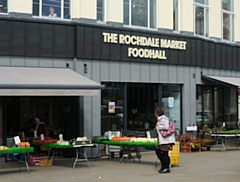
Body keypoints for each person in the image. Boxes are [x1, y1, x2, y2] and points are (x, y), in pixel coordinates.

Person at [154, 107, 175, 174]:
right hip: (162, 140)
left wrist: (158, 126)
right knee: (159, 151)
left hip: (165, 140)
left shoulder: (163, 119)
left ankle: (166, 167)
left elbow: (166, 127)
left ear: (157, 114)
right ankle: (164, 166)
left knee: (165, 153)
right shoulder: (161, 119)